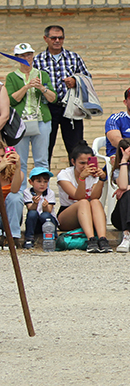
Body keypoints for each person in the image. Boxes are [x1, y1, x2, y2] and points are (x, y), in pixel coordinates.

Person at [33, 25, 91, 161]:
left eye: (61, 38)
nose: (57, 40)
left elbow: (88, 79)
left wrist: (76, 81)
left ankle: (78, 180)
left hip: (71, 107)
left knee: (75, 147)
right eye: (53, 38)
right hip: (47, 108)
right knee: (45, 147)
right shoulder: (38, 60)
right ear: (45, 39)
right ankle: (42, 181)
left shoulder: (73, 57)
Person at [7, 42, 56, 192]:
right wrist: (27, 86)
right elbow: (11, 100)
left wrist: (42, 88)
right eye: (22, 56)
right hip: (20, 123)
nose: (26, 58)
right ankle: (20, 192)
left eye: (28, 54)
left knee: (41, 159)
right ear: (16, 58)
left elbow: (53, 98)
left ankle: (43, 191)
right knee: (19, 160)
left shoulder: (42, 74)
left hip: (41, 121)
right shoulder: (12, 77)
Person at [56, 141, 110, 253]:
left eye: (88, 163)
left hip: (88, 215)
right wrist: (82, 179)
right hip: (67, 214)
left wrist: (101, 180)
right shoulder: (64, 174)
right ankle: (91, 240)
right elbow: (78, 197)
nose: (85, 167)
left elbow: (96, 196)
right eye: (81, 163)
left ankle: (102, 239)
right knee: (84, 202)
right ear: (73, 162)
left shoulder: (93, 174)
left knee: (94, 202)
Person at [21, 166, 56, 249]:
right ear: (31, 182)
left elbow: (49, 210)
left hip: (48, 222)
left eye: (45, 181)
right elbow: (30, 208)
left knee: (45, 215)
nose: (42, 184)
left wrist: (45, 207)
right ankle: (29, 238)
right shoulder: (27, 192)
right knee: (32, 213)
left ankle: (53, 236)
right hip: (35, 223)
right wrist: (35, 204)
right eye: (39, 181)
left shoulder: (50, 193)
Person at [0, 148, 23, 244]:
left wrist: (18, 167)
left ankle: (12, 238)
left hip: (11, 216)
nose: (1, 159)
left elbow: (14, 190)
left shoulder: (15, 174)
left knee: (16, 196)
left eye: (2, 156)